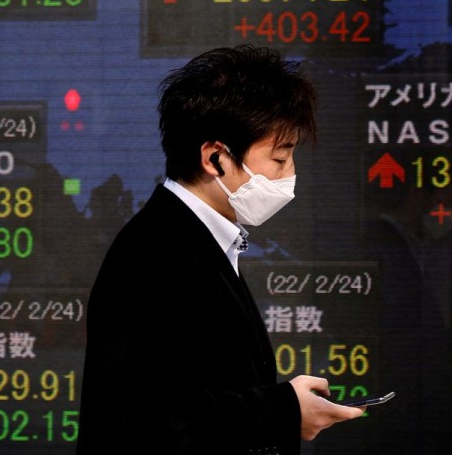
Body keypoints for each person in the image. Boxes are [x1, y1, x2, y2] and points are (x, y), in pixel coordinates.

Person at [77, 45, 364, 454]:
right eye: (280, 159)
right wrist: (284, 409)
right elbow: (142, 418)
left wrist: (286, 406)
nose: (290, 175)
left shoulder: (196, 238)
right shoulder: (152, 253)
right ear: (216, 158)